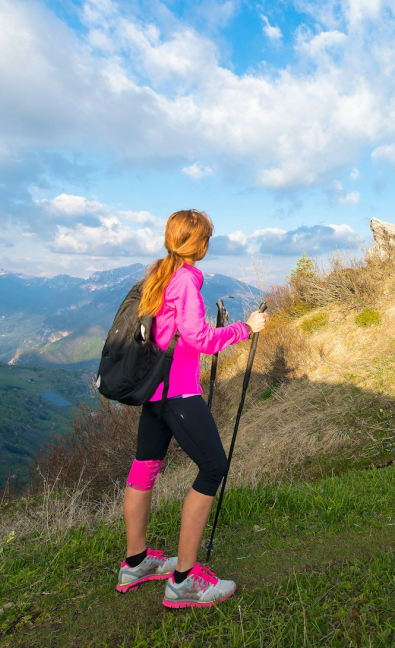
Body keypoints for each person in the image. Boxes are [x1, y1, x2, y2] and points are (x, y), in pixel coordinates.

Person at [115, 209, 267, 609]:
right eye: (207, 239)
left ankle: (135, 563)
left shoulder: (158, 274)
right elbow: (199, 338)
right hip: (178, 393)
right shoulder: (183, 279)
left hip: (152, 392)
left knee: (144, 468)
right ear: (198, 244)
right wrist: (245, 328)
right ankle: (183, 581)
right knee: (214, 467)